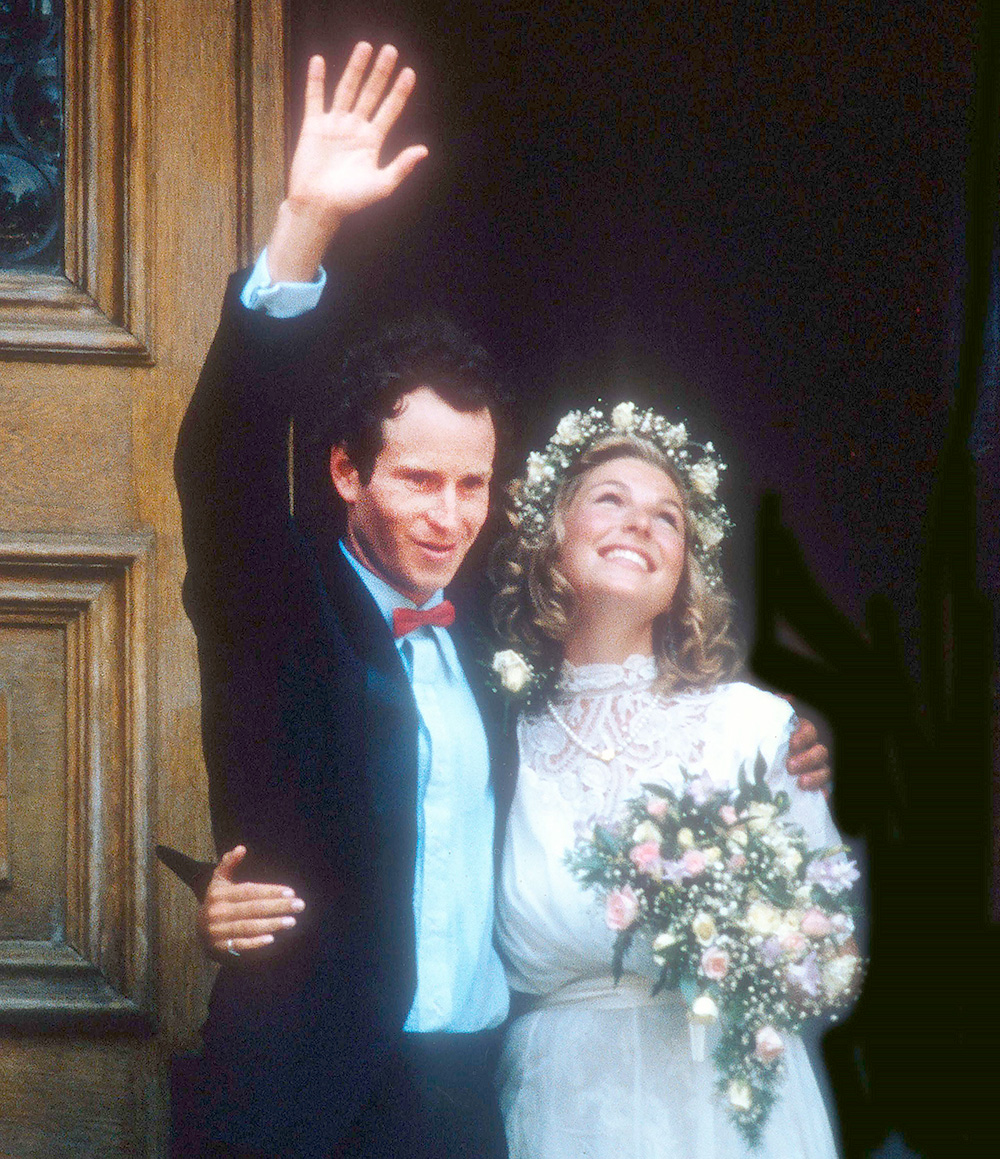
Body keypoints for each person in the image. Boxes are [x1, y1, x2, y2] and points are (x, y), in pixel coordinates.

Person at [174, 40, 833, 1158]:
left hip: (474, 1095)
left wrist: (785, 743)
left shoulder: (498, 639)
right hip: (306, 1095)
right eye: (418, 479)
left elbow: (616, 708)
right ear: (346, 472)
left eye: (471, 483)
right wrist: (305, 227)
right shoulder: (279, 596)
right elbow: (222, 457)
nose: (448, 514)